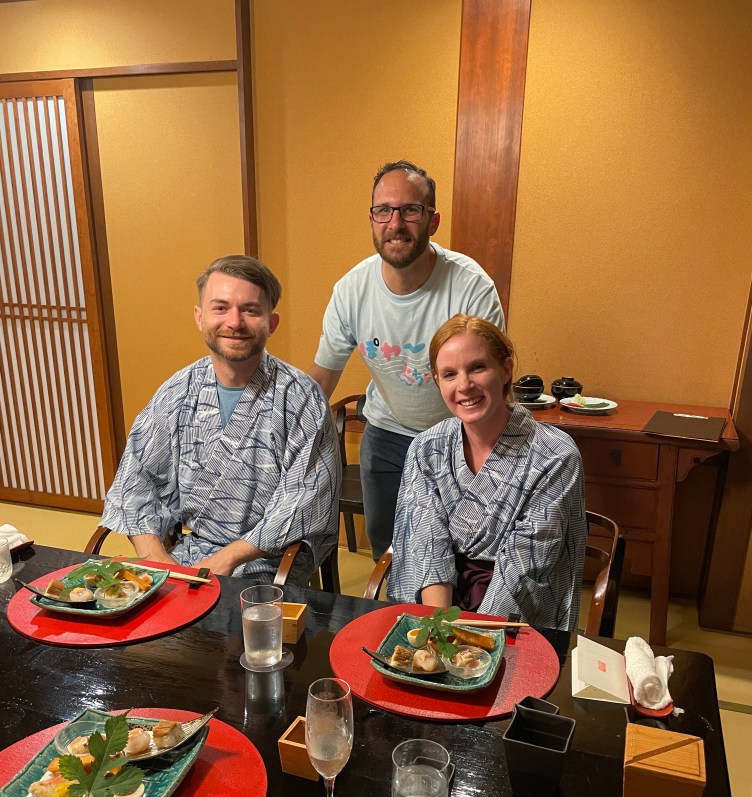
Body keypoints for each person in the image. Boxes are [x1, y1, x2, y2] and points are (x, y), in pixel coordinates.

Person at [100, 255, 340, 583]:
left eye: (250, 310)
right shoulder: (177, 390)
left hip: (267, 562)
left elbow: (305, 500)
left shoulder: (301, 397)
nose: (234, 322)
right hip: (187, 556)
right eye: (220, 308)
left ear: (271, 323)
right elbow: (136, 481)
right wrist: (158, 560)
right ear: (200, 318)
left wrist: (228, 558)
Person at [308, 159, 505, 560]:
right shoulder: (351, 291)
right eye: (384, 210)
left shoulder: (470, 286)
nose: (395, 223)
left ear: (433, 221)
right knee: (389, 553)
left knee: (460, 555)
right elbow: (321, 381)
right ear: (372, 219)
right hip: (386, 435)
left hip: (461, 436)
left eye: (410, 210)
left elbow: (491, 383)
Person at [388, 315, 586, 631]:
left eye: (478, 367)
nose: (464, 385)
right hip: (438, 607)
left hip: (513, 616)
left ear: (506, 369)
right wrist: (439, 632)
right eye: (449, 374)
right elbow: (425, 544)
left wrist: (472, 640)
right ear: (437, 381)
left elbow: (524, 568)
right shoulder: (427, 448)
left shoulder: (555, 455)